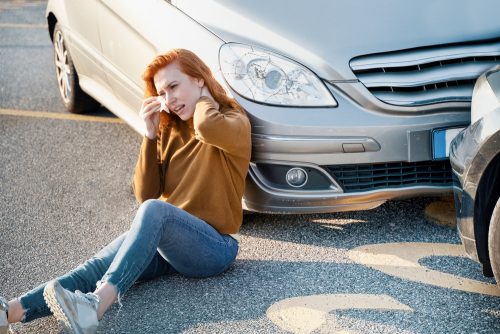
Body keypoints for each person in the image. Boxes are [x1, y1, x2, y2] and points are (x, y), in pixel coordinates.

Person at [0, 48, 252, 334]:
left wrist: (206, 96)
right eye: (162, 92)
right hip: (170, 244)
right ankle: (11, 311)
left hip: (214, 248)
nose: (168, 99)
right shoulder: (170, 132)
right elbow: (145, 192)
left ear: (198, 79)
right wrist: (150, 135)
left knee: (155, 212)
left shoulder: (234, 121)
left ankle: (95, 306)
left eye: (174, 86)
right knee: (95, 267)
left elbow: (207, 127)